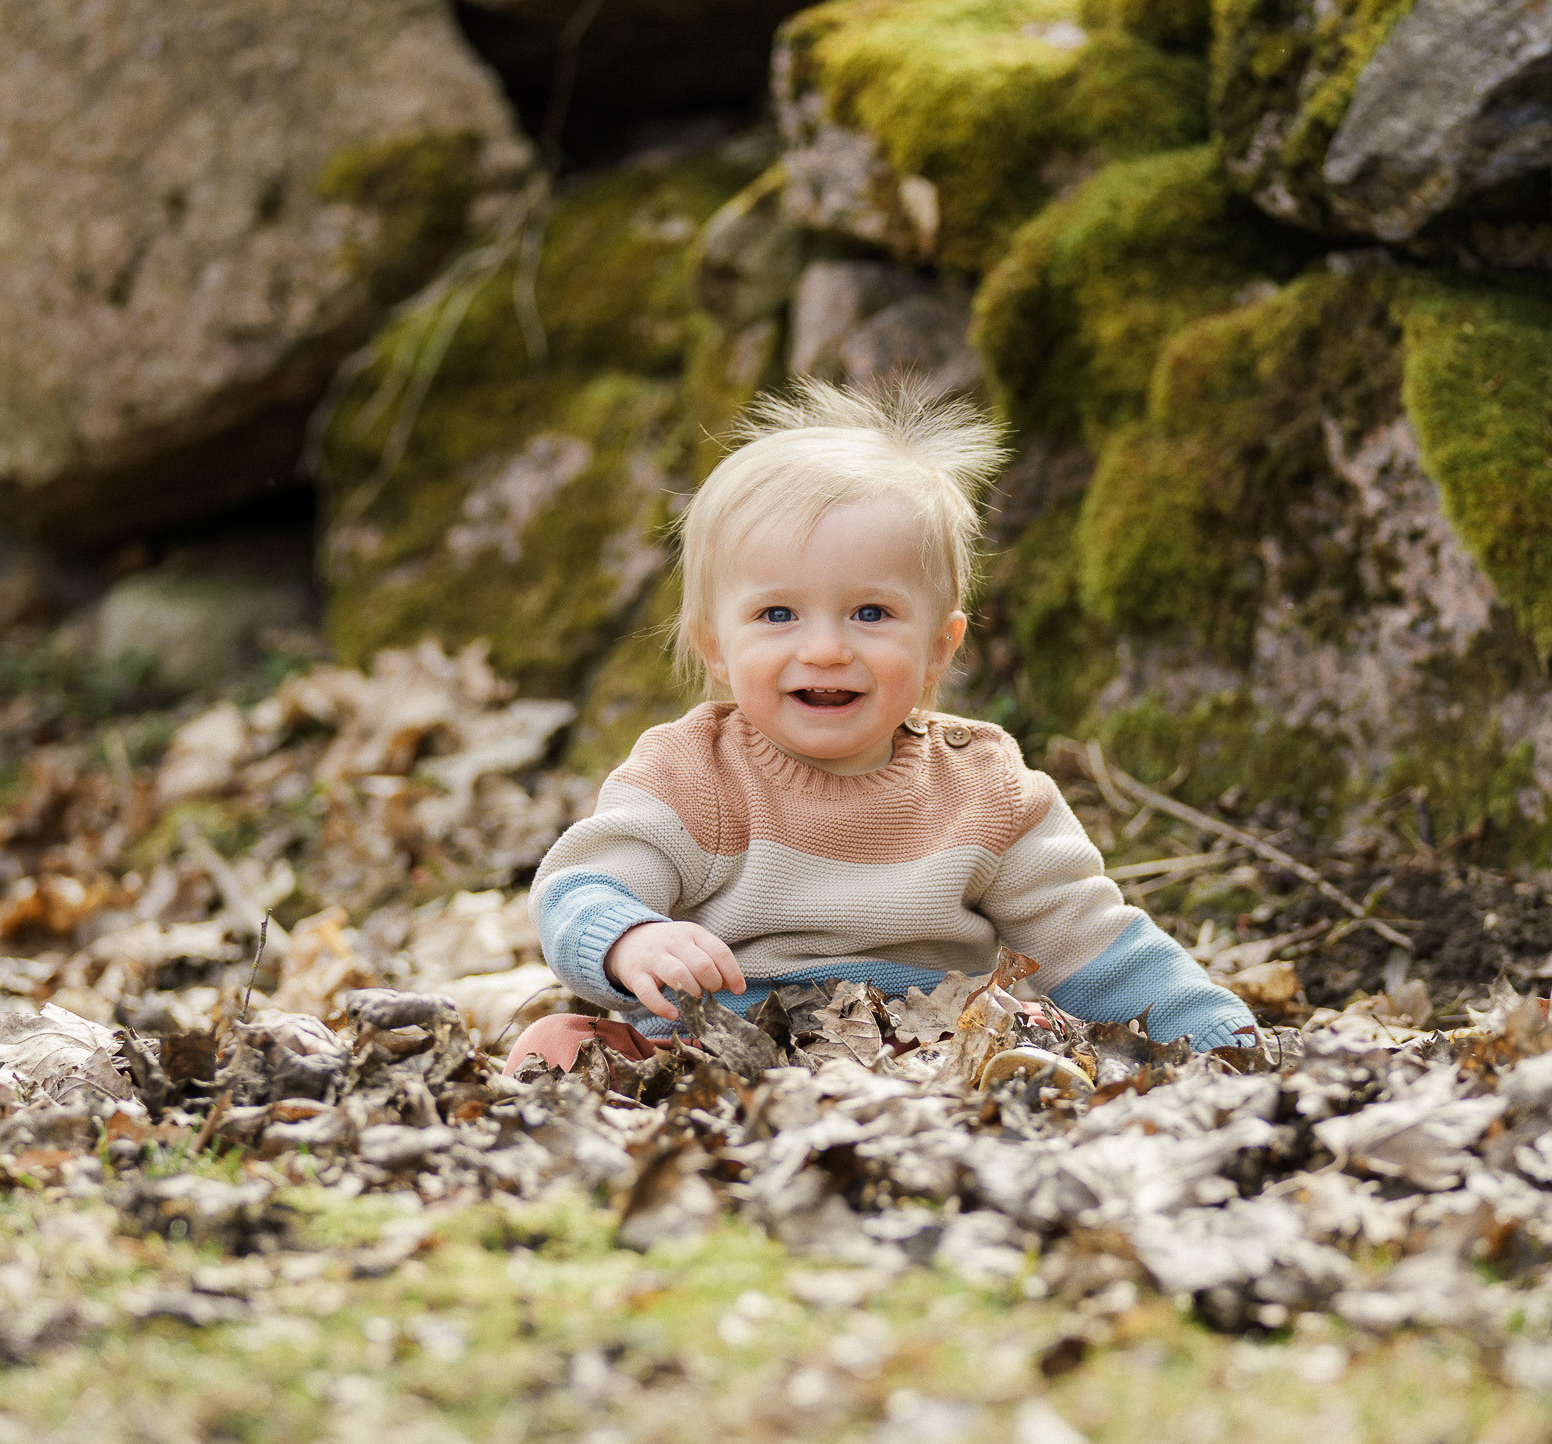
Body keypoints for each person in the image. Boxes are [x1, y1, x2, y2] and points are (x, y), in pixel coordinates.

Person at [504, 380, 1256, 1074]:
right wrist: (630, 937)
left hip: (931, 1052)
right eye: (777, 614)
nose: (827, 647)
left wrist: (1224, 1037)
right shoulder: (691, 772)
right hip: (715, 1048)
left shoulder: (984, 788)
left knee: (1045, 1034)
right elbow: (579, 887)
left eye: (871, 613)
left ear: (939, 646)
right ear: (717, 648)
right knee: (557, 1046)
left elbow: (1095, 946)